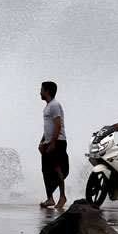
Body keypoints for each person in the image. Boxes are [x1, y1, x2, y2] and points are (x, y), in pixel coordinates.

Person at [39, 81, 69, 209]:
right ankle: (50, 198)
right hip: (49, 142)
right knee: (46, 170)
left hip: (58, 142)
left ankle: (62, 197)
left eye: (42, 90)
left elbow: (57, 125)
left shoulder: (55, 105)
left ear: (48, 91)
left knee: (57, 169)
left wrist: (52, 144)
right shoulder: (47, 106)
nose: (40, 92)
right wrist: (42, 141)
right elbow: (48, 128)